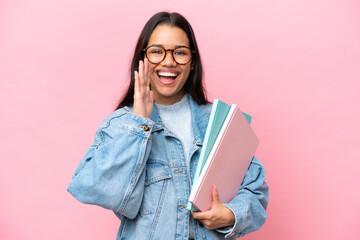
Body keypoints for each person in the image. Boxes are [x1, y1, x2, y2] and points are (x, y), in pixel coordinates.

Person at [67, 11, 269, 240]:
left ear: (192, 62)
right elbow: (102, 191)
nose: (169, 61)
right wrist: (139, 122)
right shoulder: (122, 124)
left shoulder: (219, 121)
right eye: (157, 52)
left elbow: (256, 191)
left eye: (180, 53)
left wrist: (231, 215)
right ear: (142, 59)